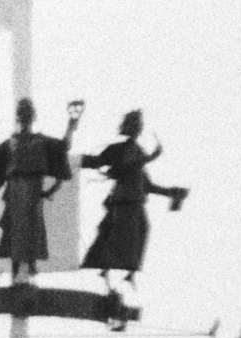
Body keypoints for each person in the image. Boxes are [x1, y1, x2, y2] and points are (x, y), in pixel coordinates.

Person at [80, 108, 188, 289]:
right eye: (137, 126)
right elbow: (125, 167)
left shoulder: (138, 151)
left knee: (141, 230)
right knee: (120, 236)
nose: (139, 129)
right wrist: (150, 157)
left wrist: (171, 192)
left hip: (135, 201)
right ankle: (108, 269)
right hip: (124, 201)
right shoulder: (123, 150)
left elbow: (146, 184)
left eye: (140, 126)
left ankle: (128, 272)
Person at [0, 98, 81, 278]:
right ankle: (21, 270)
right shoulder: (13, 142)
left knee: (27, 229)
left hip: (30, 190)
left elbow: (63, 146)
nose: (25, 119)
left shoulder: (33, 141)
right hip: (17, 190)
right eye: (23, 115)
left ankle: (28, 268)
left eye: (26, 115)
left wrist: (71, 125)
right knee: (18, 230)